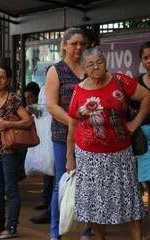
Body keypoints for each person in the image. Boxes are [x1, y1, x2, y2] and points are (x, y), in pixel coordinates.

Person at [67, 47, 149, 240]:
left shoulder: (119, 80)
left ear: (106, 62)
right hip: (88, 157)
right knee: (95, 203)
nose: (96, 67)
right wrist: (69, 156)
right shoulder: (78, 91)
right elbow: (73, 123)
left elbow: (147, 97)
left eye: (100, 62)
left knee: (129, 199)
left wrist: (134, 124)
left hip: (121, 154)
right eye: (90, 64)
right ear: (84, 69)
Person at [45, 27, 91, 240]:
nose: (78, 47)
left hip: (90, 136)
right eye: (74, 43)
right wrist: (75, 123)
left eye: (82, 43)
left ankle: (87, 230)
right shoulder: (56, 70)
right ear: (64, 45)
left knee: (89, 182)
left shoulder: (89, 68)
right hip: (63, 136)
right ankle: (55, 232)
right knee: (62, 183)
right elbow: (52, 106)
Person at [0, 65, 32, 238]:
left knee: (11, 189)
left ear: (7, 80)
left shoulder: (12, 99)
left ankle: (11, 227)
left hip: (9, 151)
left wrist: (9, 124)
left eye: (2, 77)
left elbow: (27, 121)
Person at [24, 82, 55, 225]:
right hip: (52, 138)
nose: (28, 100)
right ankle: (50, 206)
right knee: (50, 171)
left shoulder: (48, 90)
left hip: (57, 137)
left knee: (54, 172)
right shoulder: (45, 90)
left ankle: (51, 209)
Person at [134, 41, 150, 198]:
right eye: (146, 57)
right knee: (148, 181)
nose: (149, 60)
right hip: (144, 141)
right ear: (142, 61)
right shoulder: (136, 83)